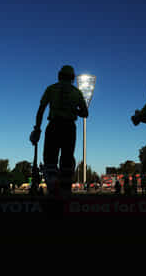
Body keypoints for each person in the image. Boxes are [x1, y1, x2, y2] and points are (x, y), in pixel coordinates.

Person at [30, 65, 89, 196]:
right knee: (67, 160)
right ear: (73, 78)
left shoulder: (51, 89)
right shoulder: (76, 92)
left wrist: (37, 129)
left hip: (54, 126)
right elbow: (85, 113)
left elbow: (40, 110)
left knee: (50, 160)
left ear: (59, 75)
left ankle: (53, 189)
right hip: (69, 128)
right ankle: (65, 190)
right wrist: (73, 110)